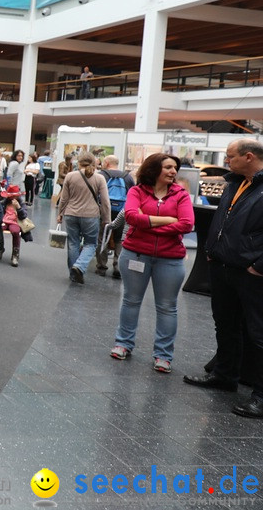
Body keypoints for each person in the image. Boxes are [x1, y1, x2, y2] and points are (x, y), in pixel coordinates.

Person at [183, 139, 263, 418]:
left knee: (258, 333)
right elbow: (223, 220)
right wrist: (211, 251)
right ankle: (224, 375)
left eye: (230, 157)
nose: (227, 161)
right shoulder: (235, 183)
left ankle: (260, 396)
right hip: (223, 265)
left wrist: (259, 266)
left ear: (249, 157)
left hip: (251, 272)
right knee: (225, 324)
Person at [108, 154, 193, 374]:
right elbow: (131, 217)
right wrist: (167, 220)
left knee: (167, 307)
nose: (173, 171)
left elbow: (186, 224)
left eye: (175, 168)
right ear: (154, 169)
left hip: (170, 258)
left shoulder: (181, 195)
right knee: (131, 300)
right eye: (168, 167)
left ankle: (163, 355)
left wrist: (148, 223)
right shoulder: (137, 191)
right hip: (136, 254)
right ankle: (123, 344)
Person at [57, 152, 110, 285]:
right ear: (94, 162)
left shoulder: (70, 176)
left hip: (71, 214)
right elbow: (105, 201)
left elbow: (64, 199)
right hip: (91, 215)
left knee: (73, 243)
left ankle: (73, 274)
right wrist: (106, 219)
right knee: (91, 244)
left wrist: (60, 213)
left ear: (78, 162)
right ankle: (79, 266)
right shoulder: (99, 178)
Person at [96, 155, 135, 277]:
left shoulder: (101, 175)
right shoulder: (127, 177)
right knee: (119, 239)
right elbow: (132, 194)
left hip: (104, 210)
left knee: (102, 237)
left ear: (107, 163)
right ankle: (117, 266)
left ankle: (101, 266)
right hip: (121, 211)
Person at [0, 184, 30, 267]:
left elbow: (24, 216)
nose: (12, 198)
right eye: (10, 196)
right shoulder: (4, 202)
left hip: (15, 222)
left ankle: (15, 254)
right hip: (4, 220)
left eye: (14, 196)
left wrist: (18, 207)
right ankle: (0, 248)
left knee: (16, 231)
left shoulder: (21, 203)